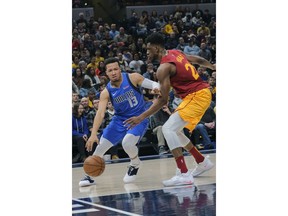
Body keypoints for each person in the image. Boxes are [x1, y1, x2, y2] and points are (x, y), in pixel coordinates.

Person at [124, 32, 216, 187]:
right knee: (176, 131)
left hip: (196, 96)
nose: (146, 52)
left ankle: (184, 173)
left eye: (148, 49)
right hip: (198, 95)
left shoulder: (163, 68)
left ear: (156, 47)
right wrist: (212, 66)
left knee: (168, 129)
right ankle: (202, 161)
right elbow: (198, 60)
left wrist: (141, 117)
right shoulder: (176, 52)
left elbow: (163, 100)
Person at [79, 57, 160, 187]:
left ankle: (135, 163)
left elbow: (153, 84)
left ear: (120, 69)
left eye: (116, 69)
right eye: (110, 70)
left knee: (127, 143)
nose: (114, 72)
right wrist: (93, 133)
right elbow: (100, 113)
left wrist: (156, 88)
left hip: (138, 118)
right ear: (106, 73)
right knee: (101, 145)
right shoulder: (106, 92)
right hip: (119, 120)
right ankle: (89, 175)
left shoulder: (133, 77)